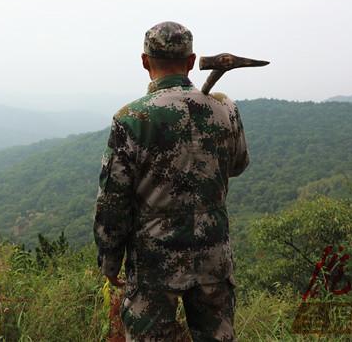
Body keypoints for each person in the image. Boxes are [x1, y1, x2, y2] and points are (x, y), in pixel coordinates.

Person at [93, 21, 249, 341]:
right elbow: (238, 165)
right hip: (213, 253)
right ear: (192, 61)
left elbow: (113, 200)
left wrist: (110, 260)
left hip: (154, 259)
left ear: (145, 61)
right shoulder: (225, 109)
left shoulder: (132, 118)